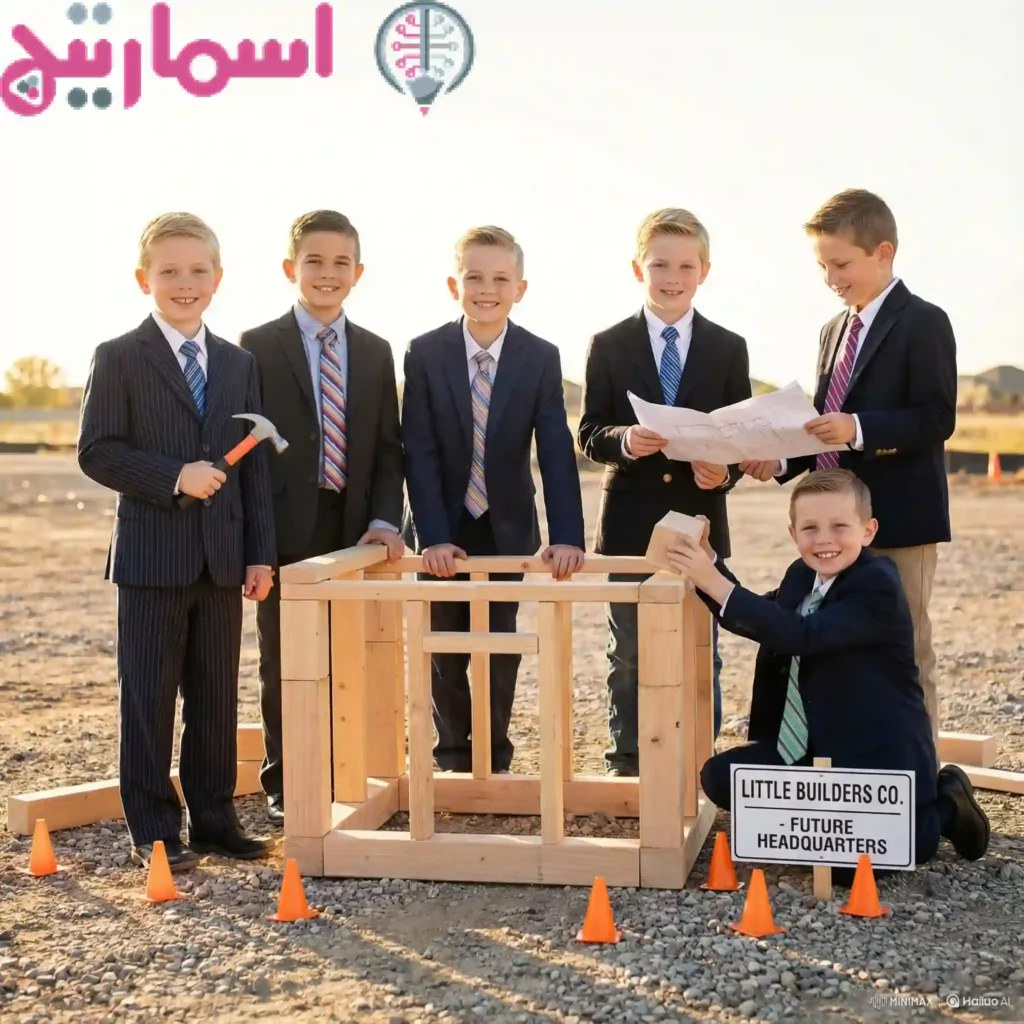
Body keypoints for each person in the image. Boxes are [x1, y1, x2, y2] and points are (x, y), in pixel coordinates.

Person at [667, 469, 989, 875]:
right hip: (809, 747)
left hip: (874, 755)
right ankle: (818, 816)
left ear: (868, 531)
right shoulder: (801, 575)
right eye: (810, 528)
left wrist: (712, 580)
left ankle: (944, 805)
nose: (824, 540)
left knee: (854, 867)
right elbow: (765, 615)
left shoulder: (878, 584)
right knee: (720, 778)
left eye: (839, 527)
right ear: (793, 534)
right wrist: (710, 562)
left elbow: (803, 635)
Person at [78, 212, 276, 871]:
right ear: (145, 279)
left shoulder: (238, 363)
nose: (184, 283)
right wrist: (173, 476)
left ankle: (215, 821)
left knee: (215, 699)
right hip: (150, 561)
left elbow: (254, 470)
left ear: (217, 278)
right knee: (149, 699)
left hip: (221, 560)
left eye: (197, 271)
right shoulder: (118, 356)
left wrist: (259, 553)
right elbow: (97, 451)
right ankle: (155, 829)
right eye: (169, 272)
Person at [739, 189, 957, 748]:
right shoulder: (832, 330)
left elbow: (936, 417)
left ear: (883, 252)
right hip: (834, 523)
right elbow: (822, 423)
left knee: (908, 650)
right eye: (822, 267)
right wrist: (782, 459)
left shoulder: (925, 321)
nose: (830, 279)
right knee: (835, 648)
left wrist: (858, 428)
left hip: (900, 521)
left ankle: (917, 777)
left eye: (841, 264)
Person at [239, 210, 404, 822]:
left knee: (347, 656)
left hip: (354, 526)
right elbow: (249, 450)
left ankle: (341, 774)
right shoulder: (256, 345)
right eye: (314, 261)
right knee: (285, 658)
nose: (327, 273)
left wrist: (386, 519)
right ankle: (288, 782)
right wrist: (255, 541)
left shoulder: (376, 351)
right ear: (291, 268)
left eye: (341, 262)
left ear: (358, 272)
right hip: (285, 526)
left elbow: (388, 446)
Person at [401, 225, 586, 773]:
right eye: (475, 278)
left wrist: (567, 537)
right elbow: (419, 450)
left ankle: (495, 755)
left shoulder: (539, 356)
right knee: (445, 644)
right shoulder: (425, 352)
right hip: (443, 525)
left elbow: (555, 451)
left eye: (500, 279)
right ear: (453, 285)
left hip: (506, 525)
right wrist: (432, 537)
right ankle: (453, 756)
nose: (487, 289)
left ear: (520, 288)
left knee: (499, 644)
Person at [577, 207, 750, 776]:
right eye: (659, 265)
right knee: (628, 652)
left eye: (684, 266)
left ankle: (701, 765)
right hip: (630, 526)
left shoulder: (729, 347)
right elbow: (589, 432)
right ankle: (627, 761)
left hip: (700, 524)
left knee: (702, 650)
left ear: (704, 271)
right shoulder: (608, 343)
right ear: (638, 269)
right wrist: (626, 440)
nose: (671, 277)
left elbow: (739, 437)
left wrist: (724, 473)